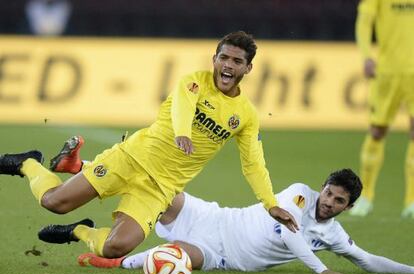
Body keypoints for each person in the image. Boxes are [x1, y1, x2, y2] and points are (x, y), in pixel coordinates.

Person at [0, 31, 297, 259]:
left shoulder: (245, 115)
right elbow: (183, 105)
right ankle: (26, 163)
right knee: (54, 203)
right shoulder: (193, 82)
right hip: (130, 158)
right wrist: (183, 132)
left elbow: (253, 163)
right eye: (224, 58)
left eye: (236, 61)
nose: (228, 65)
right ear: (214, 60)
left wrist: (271, 204)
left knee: (116, 247)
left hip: (160, 188)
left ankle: (78, 231)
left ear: (248, 68)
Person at [75, 168, 414, 274]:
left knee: (174, 256)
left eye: (339, 200)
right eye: (328, 193)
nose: (328, 202)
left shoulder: (334, 234)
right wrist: (322, 270)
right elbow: (289, 232)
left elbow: (368, 260)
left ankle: (115, 261)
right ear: (321, 188)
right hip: (215, 217)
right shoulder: (299, 195)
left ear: (348, 206)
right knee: (159, 189)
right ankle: (81, 170)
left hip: (223, 256)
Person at [351, 0, 414, 217]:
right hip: (386, 73)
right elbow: (364, 23)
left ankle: (411, 202)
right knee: (377, 131)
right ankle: (366, 197)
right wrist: (367, 55)